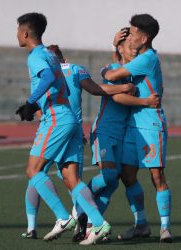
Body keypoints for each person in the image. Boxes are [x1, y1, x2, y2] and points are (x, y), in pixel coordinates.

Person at [22, 44, 135, 242]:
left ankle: (39, 225)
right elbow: (95, 89)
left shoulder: (43, 70)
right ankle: (94, 224)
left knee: (34, 172)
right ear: (62, 58)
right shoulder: (75, 69)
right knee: (73, 180)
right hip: (73, 127)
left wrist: (34, 109)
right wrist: (123, 86)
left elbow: (40, 105)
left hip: (53, 124)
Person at [15, 12, 111, 245]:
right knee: (71, 178)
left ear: (26, 33)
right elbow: (63, 88)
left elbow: (47, 78)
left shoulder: (36, 55)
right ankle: (99, 224)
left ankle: (62, 217)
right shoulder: (51, 55)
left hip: (56, 119)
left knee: (33, 170)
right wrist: (37, 104)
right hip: (68, 119)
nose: (16, 35)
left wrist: (31, 102)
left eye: (18, 30)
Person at [102, 14, 173, 243]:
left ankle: (165, 227)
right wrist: (115, 46)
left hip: (151, 123)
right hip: (133, 124)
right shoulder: (140, 57)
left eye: (132, 33)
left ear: (143, 38)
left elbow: (112, 73)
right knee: (127, 174)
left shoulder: (147, 59)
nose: (129, 37)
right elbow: (120, 64)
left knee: (156, 175)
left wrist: (105, 70)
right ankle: (141, 224)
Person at [85, 27, 160, 241]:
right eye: (130, 47)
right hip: (106, 131)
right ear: (120, 48)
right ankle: (80, 202)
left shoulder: (133, 71)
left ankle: (98, 225)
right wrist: (144, 100)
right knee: (109, 177)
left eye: (136, 46)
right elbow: (117, 96)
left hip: (125, 133)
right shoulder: (114, 69)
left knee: (121, 179)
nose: (135, 50)